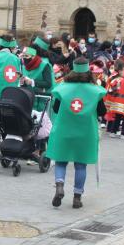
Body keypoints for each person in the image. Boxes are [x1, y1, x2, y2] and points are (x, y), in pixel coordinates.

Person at [46, 57, 107, 209]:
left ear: (72, 70)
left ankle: (60, 186)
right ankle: (77, 198)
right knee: (81, 165)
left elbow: (55, 109)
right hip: (85, 132)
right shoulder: (95, 90)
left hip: (64, 130)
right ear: (88, 70)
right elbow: (102, 111)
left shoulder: (63, 87)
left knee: (61, 161)